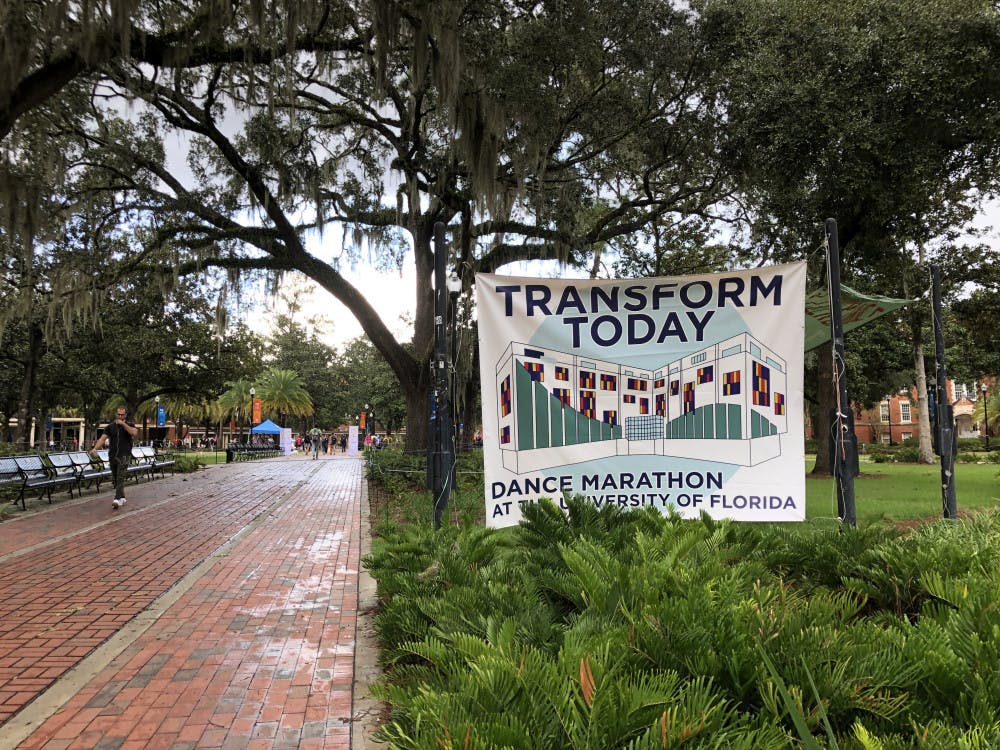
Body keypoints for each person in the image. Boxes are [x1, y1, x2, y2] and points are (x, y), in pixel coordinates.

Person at [91, 407, 138, 510]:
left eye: (122, 415)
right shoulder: (110, 427)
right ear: (116, 415)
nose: (120, 416)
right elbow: (102, 439)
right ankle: (122, 497)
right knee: (115, 478)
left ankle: (116, 499)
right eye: (118, 414)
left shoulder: (130, 425)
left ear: (125, 415)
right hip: (112, 455)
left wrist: (123, 424)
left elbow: (134, 433)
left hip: (124, 455)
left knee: (120, 477)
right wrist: (95, 449)